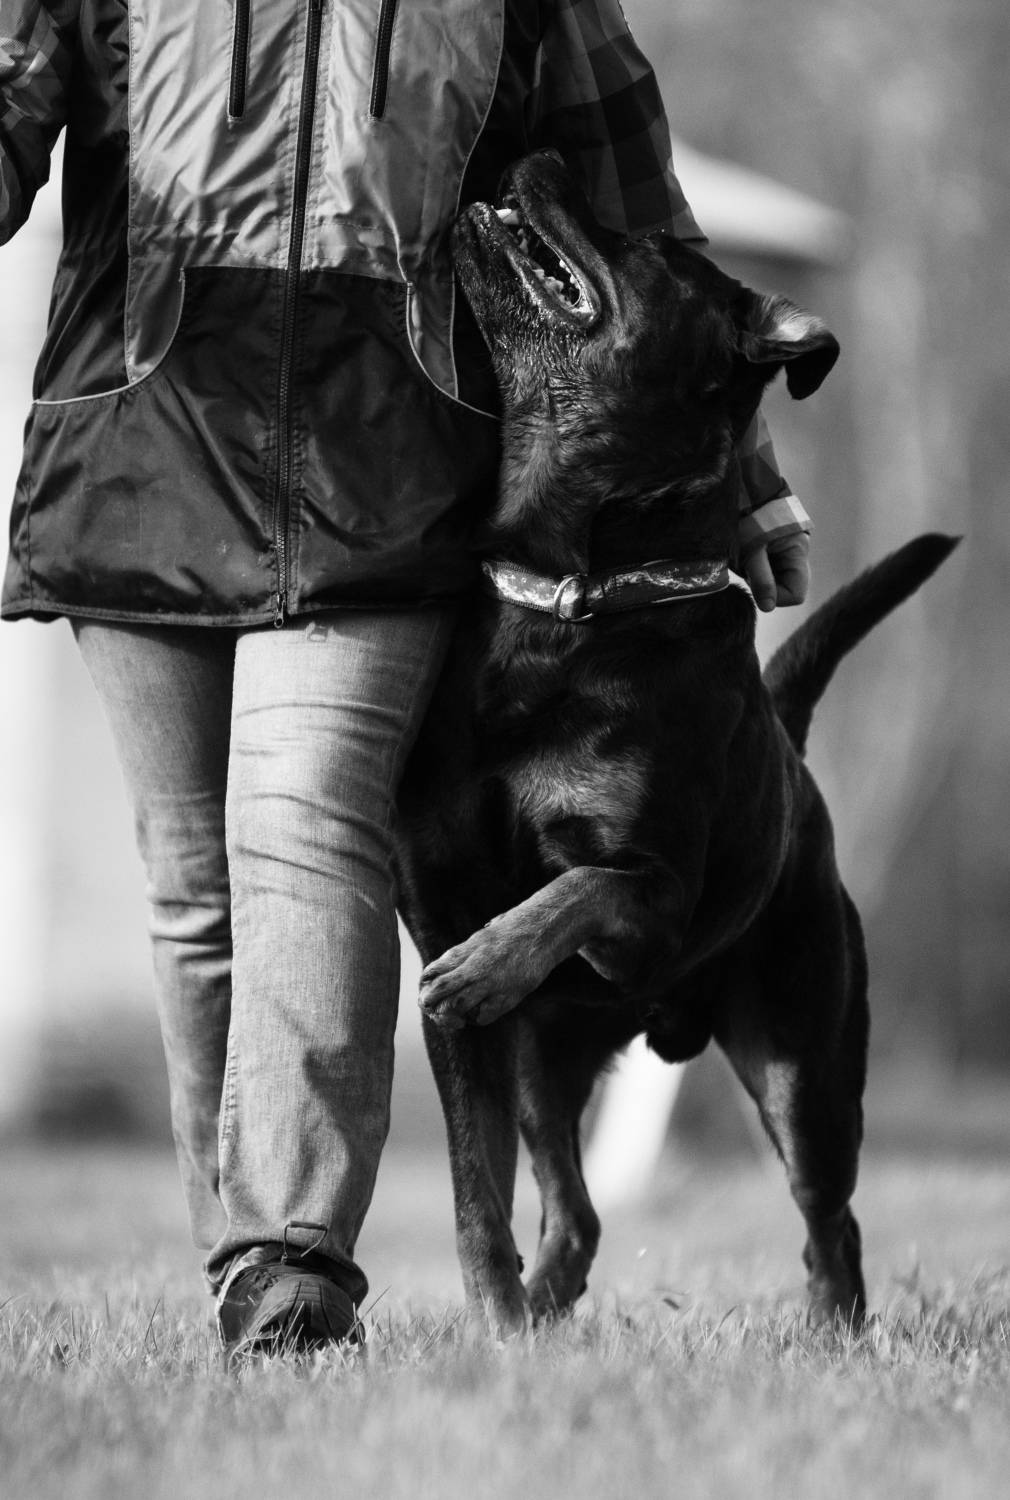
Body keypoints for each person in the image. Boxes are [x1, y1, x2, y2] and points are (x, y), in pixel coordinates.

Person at [1, 0, 812, 1356]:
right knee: (195, 883)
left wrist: (740, 474)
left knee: (307, 820)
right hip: (141, 446)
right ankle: (242, 1274)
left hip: (390, 462)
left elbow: (637, 225)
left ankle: (292, 1257)